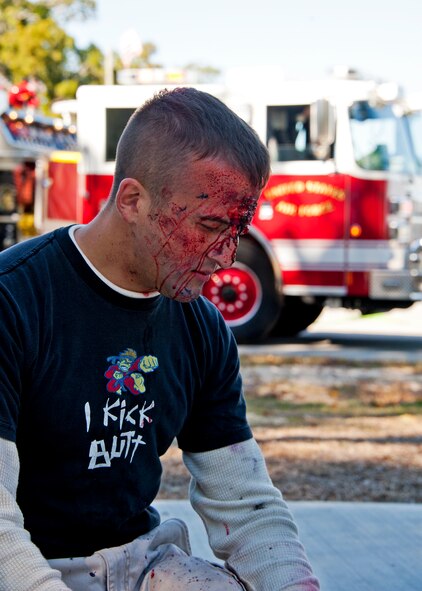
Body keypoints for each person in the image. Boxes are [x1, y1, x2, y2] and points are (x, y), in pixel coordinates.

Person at [0, 87, 320, 590]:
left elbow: (246, 505)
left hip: (136, 563)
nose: (227, 255)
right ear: (132, 199)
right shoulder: (13, 301)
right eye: (211, 224)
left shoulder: (202, 327)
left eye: (239, 228)